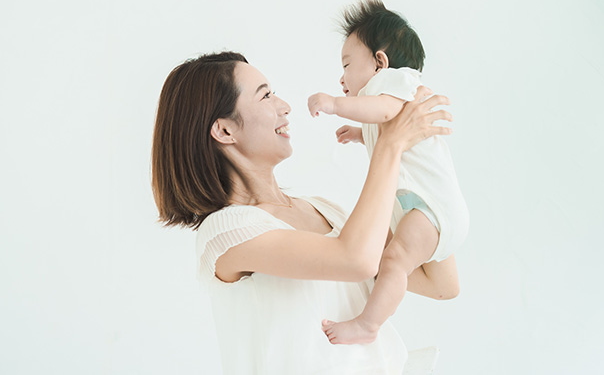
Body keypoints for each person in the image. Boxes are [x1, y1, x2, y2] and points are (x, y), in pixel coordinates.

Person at [151, 51, 460, 374]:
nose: (284, 105)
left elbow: (440, 283)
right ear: (225, 131)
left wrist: (422, 165)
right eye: (266, 95)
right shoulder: (227, 232)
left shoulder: (328, 212)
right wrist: (390, 144)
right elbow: (356, 259)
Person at [307, 0, 470, 345]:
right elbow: (386, 127)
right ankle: (371, 307)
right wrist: (359, 134)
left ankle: (369, 324)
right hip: (426, 209)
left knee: (394, 260)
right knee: (387, 259)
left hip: (431, 209)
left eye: (348, 64)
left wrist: (336, 106)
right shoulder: (389, 96)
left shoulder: (397, 82)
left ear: (380, 62)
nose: (341, 77)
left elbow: (382, 112)